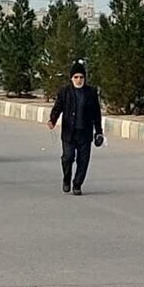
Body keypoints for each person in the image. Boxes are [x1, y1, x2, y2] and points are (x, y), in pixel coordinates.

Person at [47, 61, 103, 196]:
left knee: (83, 160)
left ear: (85, 78)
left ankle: (77, 184)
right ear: (71, 78)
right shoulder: (65, 92)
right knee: (68, 157)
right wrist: (52, 120)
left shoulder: (91, 92)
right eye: (76, 77)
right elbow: (58, 107)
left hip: (85, 132)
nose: (79, 80)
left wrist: (99, 131)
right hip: (69, 133)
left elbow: (96, 113)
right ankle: (67, 178)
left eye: (81, 77)